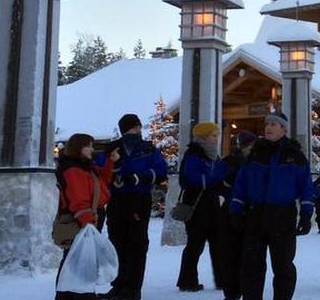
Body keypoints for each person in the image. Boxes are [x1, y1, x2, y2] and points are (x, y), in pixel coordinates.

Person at [230, 112, 314, 300]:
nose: (269, 127)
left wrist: (307, 213)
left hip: (282, 215)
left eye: (274, 124)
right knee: (251, 266)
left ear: (284, 129)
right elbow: (241, 183)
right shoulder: (256, 153)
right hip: (256, 215)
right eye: (267, 123)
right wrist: (236, 209)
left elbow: (306, 186)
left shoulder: (295, 155)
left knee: (283, 266)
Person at [100, 113, 168, 300]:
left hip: (135, 199)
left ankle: (131, 289)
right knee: (121, 243)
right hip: (122, 200)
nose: (137, 130)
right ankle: (120, 286)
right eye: (135, 127)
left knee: (133, 244)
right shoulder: (117, 149)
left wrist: (140, 177)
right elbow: (101, 171)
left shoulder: (145, 149)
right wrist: (115, 176)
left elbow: (161, 171)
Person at [55, 133, 117, 300]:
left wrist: (111, 161)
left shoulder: (85, 167)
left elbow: (102, 181)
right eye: (88, 145)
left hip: (90, 217)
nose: (92, 149)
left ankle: (79, 294)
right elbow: (78, 198)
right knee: (75, 258)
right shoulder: (73, 170)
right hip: (80, 219)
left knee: (82, 258)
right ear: (78, 147)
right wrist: (87, 222)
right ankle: (72, 295)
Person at [176, 122, 223, 293]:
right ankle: (187, 280)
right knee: (196, 244)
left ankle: (222, 279)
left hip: (211, 203)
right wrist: (213, 179)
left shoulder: (213, 156)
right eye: (213, 135)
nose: (216, 139)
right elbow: (191, 178)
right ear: (203, 137)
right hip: (196, 204)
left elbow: (219, 173)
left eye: (216, 135)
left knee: (218, 242)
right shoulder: (193, 154)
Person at [212, 130, 256, 300]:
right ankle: (232, 291)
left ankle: (246, 289)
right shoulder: (229, 162)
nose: (251, 149)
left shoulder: (258, 162)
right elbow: (215, 183)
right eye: (248, 145)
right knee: (231, 254)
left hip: (252, 212)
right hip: (231, 212)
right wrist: (227, 186)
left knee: (249, 255)